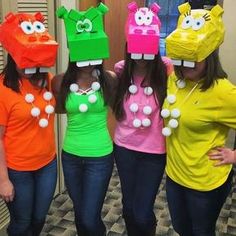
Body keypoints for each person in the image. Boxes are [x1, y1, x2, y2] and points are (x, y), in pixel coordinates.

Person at [162, 2, 236, 236]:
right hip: (174, 176)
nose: (184, 66)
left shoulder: (222, 91)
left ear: (209, 54)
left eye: (192, 59)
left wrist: (234, 155)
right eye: (180, 59)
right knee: (181, 228)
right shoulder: (175, 79)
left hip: (205, 184)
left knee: (201, 232)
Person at [54, 3, 116, 236]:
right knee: (80, 214)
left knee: (90, 218)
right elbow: (60, 110)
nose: (90, 59)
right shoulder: (60, 81)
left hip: (99, 157)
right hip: (70, 155)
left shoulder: (109, 79)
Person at [112, 2, 172, 235]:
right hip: (124, 147)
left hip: (154, 151)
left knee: (142, 210)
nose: (141, 57)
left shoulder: (165, 69)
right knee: (128, 206)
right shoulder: (121, 69)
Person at [0, 12, 58, 236]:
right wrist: (3, 180)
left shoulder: (48, 81)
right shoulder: (4, 89)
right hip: (18, 170)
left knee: (39, 218)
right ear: (14, 55)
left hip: (47, 164)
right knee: (21, 223)